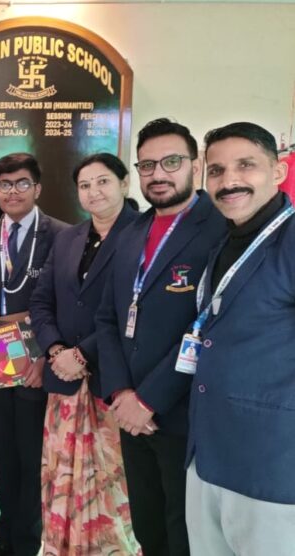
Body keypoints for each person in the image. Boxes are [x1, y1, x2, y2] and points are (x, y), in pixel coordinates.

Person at [95, 118, 227, 556]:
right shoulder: (130, 231)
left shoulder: (220, 228)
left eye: (171, 162)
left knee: (184, 531)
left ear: (195, 165)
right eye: (147, 165)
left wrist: (149, 399)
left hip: (184, 409)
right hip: (131, 411)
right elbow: (108, 317)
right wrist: (120, 392)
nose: (158, 174)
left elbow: (207, 324)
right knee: (147, 525)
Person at [184, 122, 295, 555]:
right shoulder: (225, 243)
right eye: (216, 170)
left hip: (270, 464)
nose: (229, 181)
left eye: (245, 165)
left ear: (279, 171)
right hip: (207, 454)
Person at [28, 154, 140, 555]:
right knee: (61, 478)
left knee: (113, 483)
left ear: (124, 184)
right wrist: (56, 349)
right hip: (63, 380)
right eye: (85, 185)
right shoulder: (68, 238)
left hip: (114, 382)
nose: (94, 192)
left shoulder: (143, 236)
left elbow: (133, 309)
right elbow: (41, 302)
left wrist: (82, 354)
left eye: (103, 181)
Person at [0, 153, 68, 556]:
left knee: (32, 462)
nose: (13, 191)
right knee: (3, 459)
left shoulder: (62, 236)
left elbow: (66, 303)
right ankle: (5, 540)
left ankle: (27, 545)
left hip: (36, 364)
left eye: (22, 183)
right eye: (6, 185)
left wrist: (46, 357)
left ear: (37, 188)